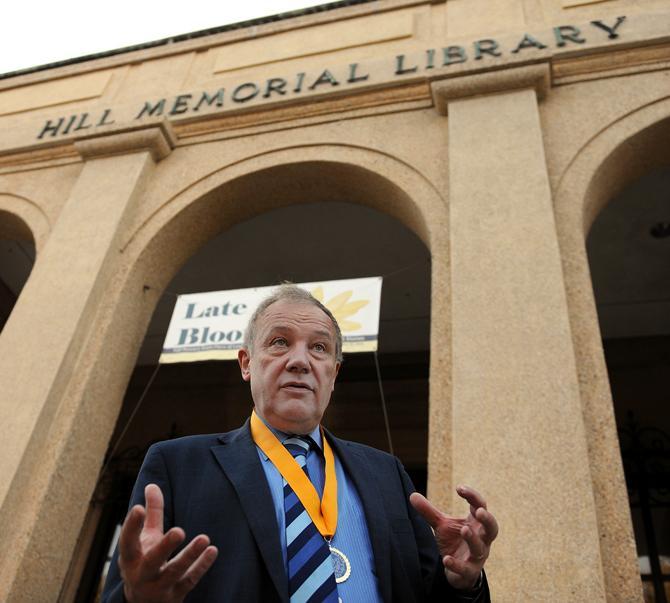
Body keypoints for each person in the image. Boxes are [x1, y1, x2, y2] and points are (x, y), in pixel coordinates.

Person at [102, 285, 498, 602]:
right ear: (246, 363)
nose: (300, 361)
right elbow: (128, 589)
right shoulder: (177, 465)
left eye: (320, 347)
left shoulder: (387, 474)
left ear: (334, 372)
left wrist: (462, 584)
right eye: (279, 342)